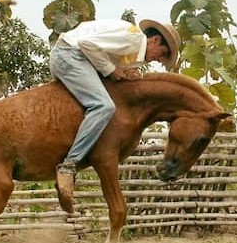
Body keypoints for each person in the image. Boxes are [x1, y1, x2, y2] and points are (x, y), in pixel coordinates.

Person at [49, 18, 181, 213]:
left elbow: (101, 52)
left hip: (72, 55)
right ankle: (68, 166)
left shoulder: (132, 45)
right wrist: (112, 70)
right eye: (162, 54)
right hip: (70, 55)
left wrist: (121, 70)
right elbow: (87, 44)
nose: (158, 60)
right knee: (103, 106)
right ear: (154, 41)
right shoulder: (133, 38)